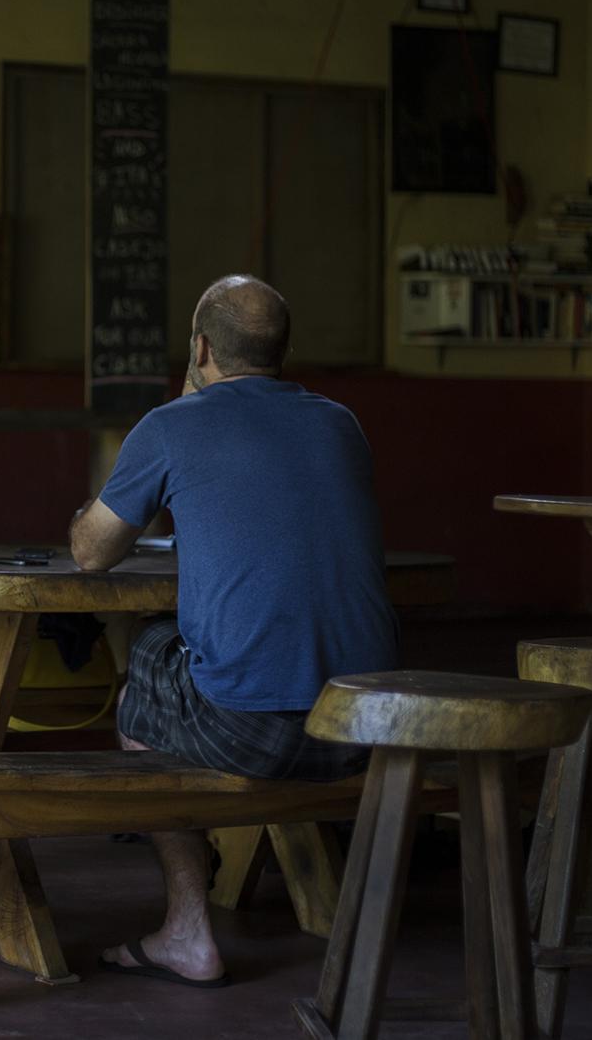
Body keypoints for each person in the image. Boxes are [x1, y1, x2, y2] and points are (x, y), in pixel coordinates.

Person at [69, 274, 395, 987]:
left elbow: (90, 550)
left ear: (201, 345)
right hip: (367, 725)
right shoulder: (342, 423)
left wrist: (183, 401)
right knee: (219, 651)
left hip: (257, 731)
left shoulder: (171, 425)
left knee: (146, 664)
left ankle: (188, 929)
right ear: (282, 350)